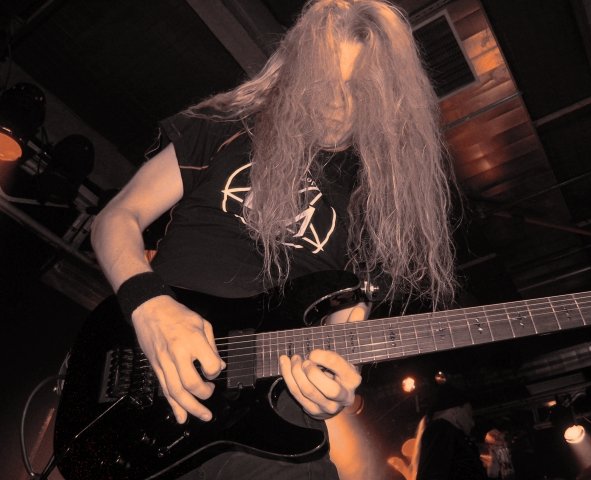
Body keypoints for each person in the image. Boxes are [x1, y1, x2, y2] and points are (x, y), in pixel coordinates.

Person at [91, 0, 457, 478]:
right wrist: (150, 308)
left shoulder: (374, 202)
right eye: (324, 80)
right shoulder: (226, 128)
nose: (336, 103)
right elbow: (116, 218)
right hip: (148, 377)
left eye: (356, 90)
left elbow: (342, 333)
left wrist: (333, 387)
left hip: (269, 422)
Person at [415, 383, 487, 480]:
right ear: (455, 411)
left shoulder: (441, 432)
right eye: (469, 414)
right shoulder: (441, 430)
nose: (472, 423)